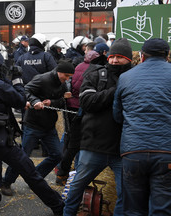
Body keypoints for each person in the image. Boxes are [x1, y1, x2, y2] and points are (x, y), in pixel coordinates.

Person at [0, 47, 64, 214]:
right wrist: (17, 79)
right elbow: (20, 100)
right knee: (31, 174)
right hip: (0, 142)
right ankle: (58, 206)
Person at [63, 38, 133, 216]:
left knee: (126, 195)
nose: (115, 60)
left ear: (129, 60)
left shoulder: (134, 78)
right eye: (112, 56)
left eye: (120, 57)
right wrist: (117, 90)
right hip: (94, 144)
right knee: (76, 188)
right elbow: (87, 102)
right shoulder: (96, 74)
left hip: (122, 148)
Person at [113, 38, 171, 215]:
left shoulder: (126, 77)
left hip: (133, 150)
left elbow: (117, 115)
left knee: (133, 209)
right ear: (167, 56)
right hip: (166, 151)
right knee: (162, 208)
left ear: (142, 56)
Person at [2, 59, 74, 194]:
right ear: (59, 72)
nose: (67, 79)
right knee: (22, 156)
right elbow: (25, 91)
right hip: (33, 125)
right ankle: (6, 182)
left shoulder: (63, 85)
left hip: (49, 126)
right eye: (66, 76)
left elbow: (61, 102)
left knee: (57, 155)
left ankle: (36, 178)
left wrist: (51, 102)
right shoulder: (42, 79)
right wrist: (36, 101)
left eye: (70, 77)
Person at [55, 50, 101, 185]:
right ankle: (67, 172)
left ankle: (62, 171)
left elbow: (71, 85)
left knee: (69, 140)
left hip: (70, 106)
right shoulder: (95, 70)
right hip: (82, 108)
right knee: (76, 144)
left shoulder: (78, 67)